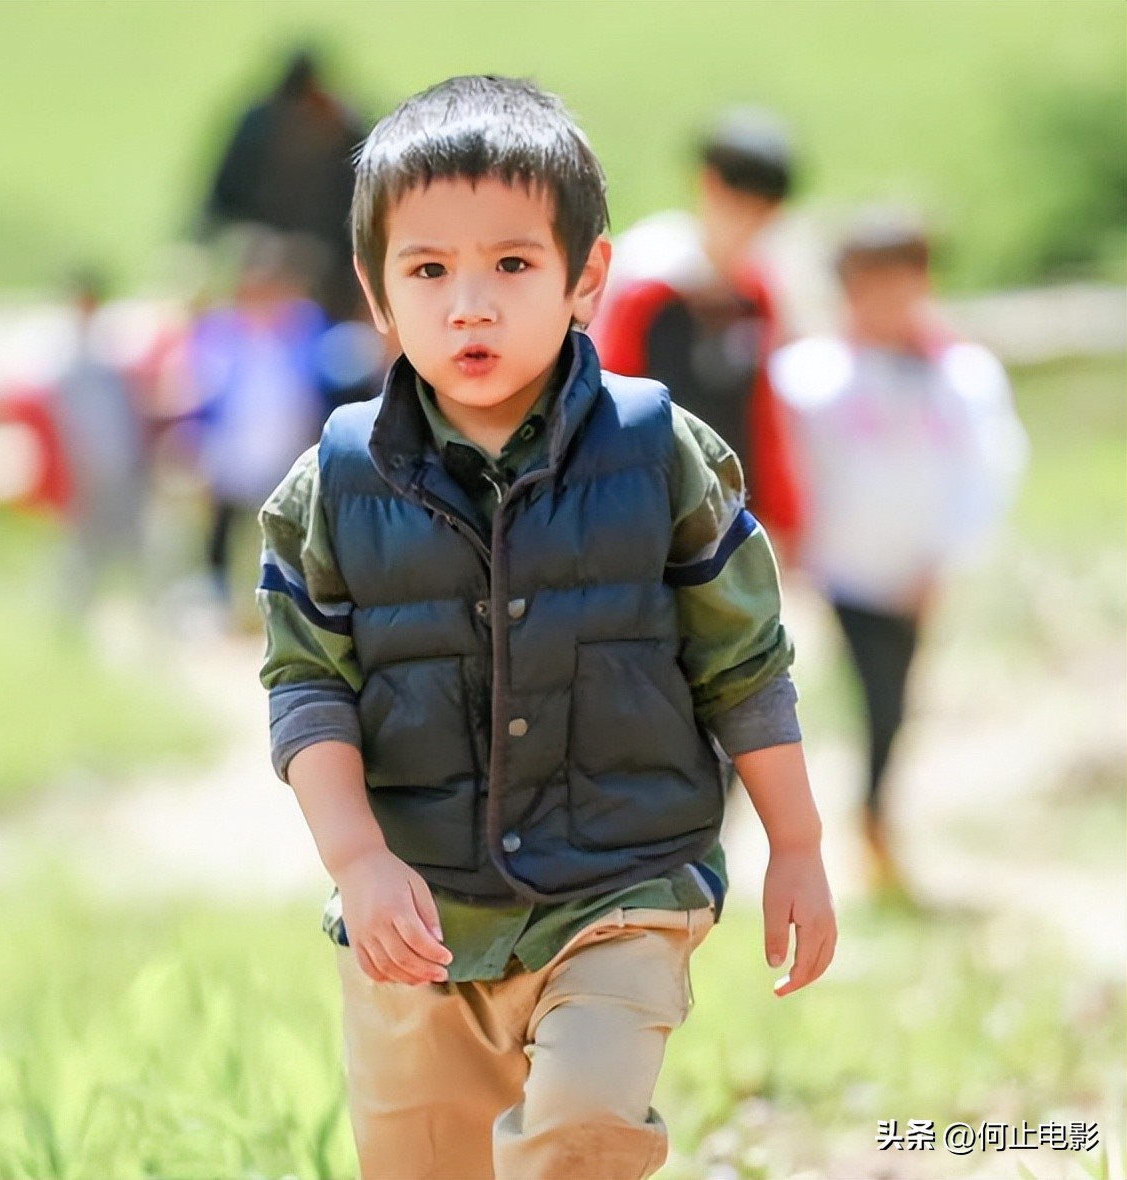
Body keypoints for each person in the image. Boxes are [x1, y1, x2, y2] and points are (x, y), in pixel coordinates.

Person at [257, 76, 836, 1180]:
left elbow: (743, 661)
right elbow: (306, 687)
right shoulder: (324, 489)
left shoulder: (662, 456)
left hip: (624, 882)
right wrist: (359, 858)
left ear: (587, 278)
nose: (468, 304)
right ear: (374, 293)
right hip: (417, 916)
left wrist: (798, 845)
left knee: (581, 1130)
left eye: (511, 265)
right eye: (427, 270)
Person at [770, 210, 1028, 899]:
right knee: (794, 700)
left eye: (901, 281)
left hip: (912, 579)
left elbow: (988, 470)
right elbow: (780, 468)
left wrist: (945, 558)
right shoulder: (807, 376)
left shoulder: (961, 376)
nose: (887, 298)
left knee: (892, 706)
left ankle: (876, 824)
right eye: (870, 282)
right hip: (834, 574)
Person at [591, 106, 806, 560]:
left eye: (762, 209)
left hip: (729, 512)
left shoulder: (758, 295)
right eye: (738, 201)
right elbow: (611, 393)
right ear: (708, 185)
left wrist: (783, 515)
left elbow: (762, 412)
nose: (748, 221)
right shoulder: (649, 284)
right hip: (646, 503)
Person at [189, 230, 335, 607]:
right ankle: (218, 594)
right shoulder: (223, 329)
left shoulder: (303, 325)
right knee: (226, 521)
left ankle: (280, 597)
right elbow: (203, 386)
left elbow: (318, 377)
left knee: (283, 524)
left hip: (286, 443)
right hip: (233, 445)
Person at [200, 48, 366, 320]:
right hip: (263, 234)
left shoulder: (343, 126)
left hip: (326, 245)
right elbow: (223, 196)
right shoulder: (255, 127)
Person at [50, 268, 148, 619]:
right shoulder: (65, 355)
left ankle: (144, 618)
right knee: (84, 549)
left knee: (133, 546)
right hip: (85, 469)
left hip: (120, 466)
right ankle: (70, 617)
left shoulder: (108, 347)